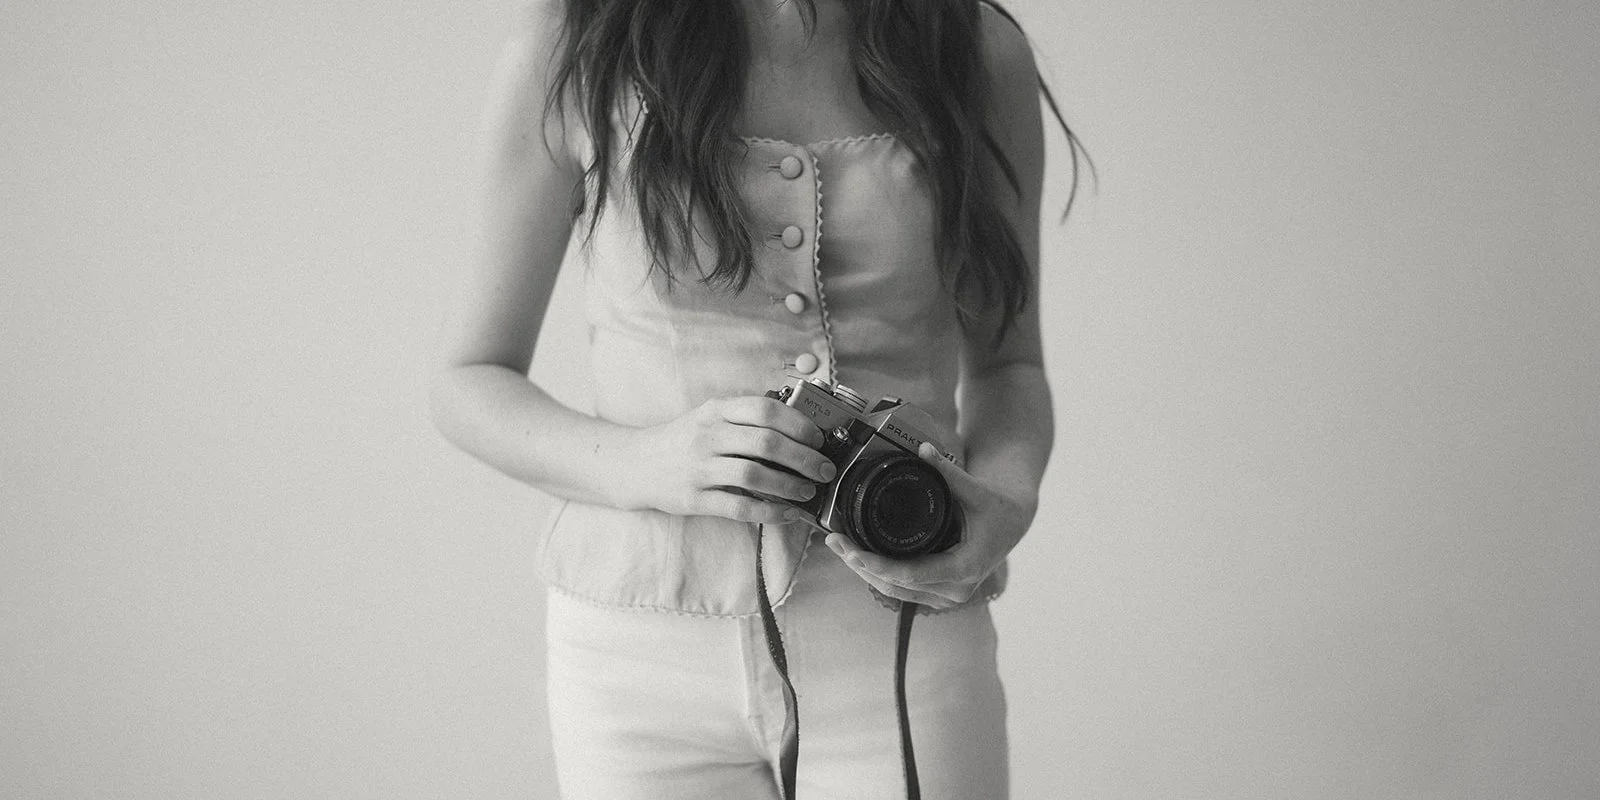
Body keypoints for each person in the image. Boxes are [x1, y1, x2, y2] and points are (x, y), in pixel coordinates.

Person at [430, 0, 1088, 797]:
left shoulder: (975, 47)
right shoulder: (574, 45)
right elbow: (469, 380)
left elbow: (1010, 367)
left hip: (903, 633)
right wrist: (647, 462)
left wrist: (1006, 505)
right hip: (636, 658)